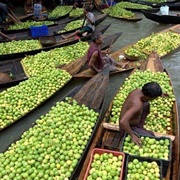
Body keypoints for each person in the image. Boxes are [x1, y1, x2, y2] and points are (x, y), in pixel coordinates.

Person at [119, 82, 169, 146]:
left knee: (146, 104)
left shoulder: (137, 90)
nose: (154, 99)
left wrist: (159, 94)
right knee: (152, 137)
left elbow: (148, 95)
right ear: (149, 96)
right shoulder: (137, 105)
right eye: (154, 98)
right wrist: (132, 135)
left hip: (132, 121)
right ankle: (126, 134)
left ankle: (140, 127)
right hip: (127, 127)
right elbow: (123, 121)